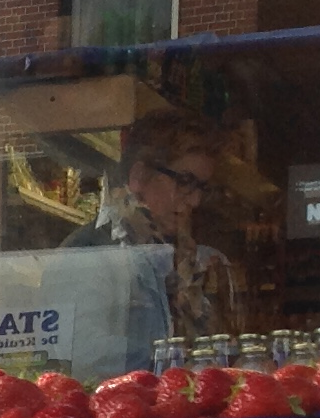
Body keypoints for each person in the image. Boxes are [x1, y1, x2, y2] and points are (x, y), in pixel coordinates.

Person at [64, 109, 245, 363]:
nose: (195, 200)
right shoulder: (87, 253)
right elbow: (84, 358)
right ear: (139, 177)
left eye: (201, 188)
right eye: (184, 181)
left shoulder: (195, 260)